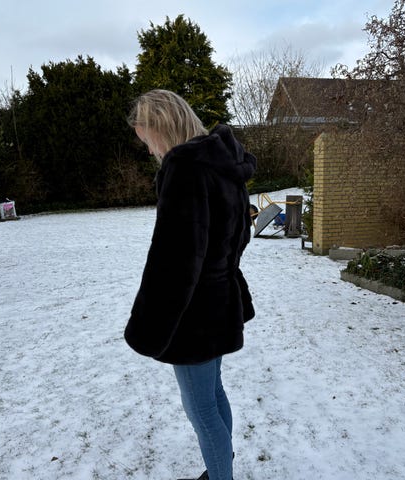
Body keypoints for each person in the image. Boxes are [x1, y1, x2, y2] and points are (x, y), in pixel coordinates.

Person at [124, 89, 256, 480]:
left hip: (193, 315)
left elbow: (174, 263)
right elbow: (240, 236)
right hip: (220, 303)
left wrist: (149, 326)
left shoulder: (185, 169)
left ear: (161, 127)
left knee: (200, 408)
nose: (150, 151)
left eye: (148, 140)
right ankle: (220, 469)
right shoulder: (224, 164)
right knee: (213, 395)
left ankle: (221, 475)